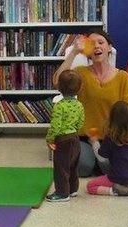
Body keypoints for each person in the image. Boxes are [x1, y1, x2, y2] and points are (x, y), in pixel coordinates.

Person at [54, 31, 128, 177]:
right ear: (87, 51)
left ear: (109, 47)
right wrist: (73, 52)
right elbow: (58, 82)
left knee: (111, 168)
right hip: (85, 136)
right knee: (84, 168)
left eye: (101, 42)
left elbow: (127, 115)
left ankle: (101, 160)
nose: (97, 46)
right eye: (92, 44)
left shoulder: (123, 77)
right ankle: (94, 159)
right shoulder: (80, 74)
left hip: (113, 137)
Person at [87, 101, 128, 197]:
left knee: (91, 186)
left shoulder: (111, 138)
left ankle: (115, 190)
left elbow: (101, 158)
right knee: (125, 170)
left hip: (118, 177)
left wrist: (95, 142)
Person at [45, 69, 84, 202]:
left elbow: (55, 125)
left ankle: (62, 193)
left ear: (59, 87)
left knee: (61, 168)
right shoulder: (79, 105)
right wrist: (75, 131)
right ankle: (73, 189)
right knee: (73, 165)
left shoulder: (59, 106)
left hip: (63, 141)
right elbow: (81, 122)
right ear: (79, 88)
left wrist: (49, 138)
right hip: (75, 138)